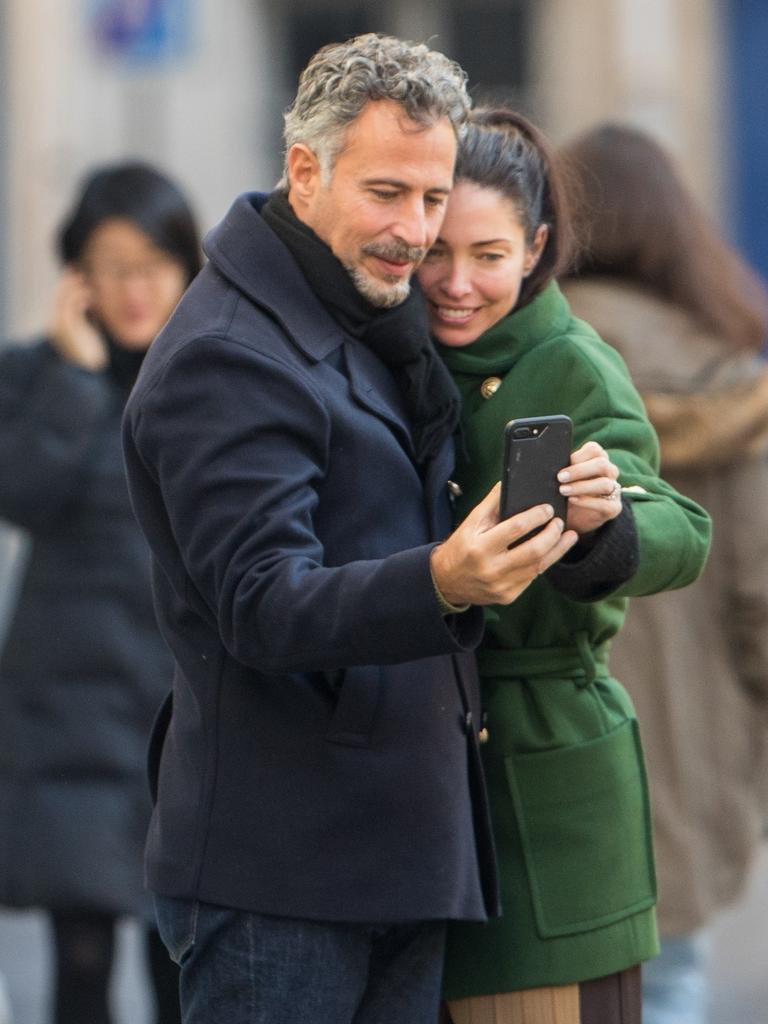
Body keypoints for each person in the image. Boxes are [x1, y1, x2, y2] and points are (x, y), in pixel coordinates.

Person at [120, 34, 655, 1024]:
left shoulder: (361, 306)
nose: (415, 231)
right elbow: (263, 603)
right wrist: (445, 580)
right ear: (304, 172)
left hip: (391, 862)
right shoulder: (232, 354)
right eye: (386, 193)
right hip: (283, 875)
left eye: (432, 195)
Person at [415, 108, 712, 1024]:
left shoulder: (574, 364)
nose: (457, 284)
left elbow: (681, 531)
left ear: (537, 247)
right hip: (413, 789)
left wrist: (602, 523)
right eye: (437, 251)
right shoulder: (389, 349)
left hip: (540, 784)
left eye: (490, 255)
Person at [560, 122, 768, 1024]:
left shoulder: (530, 357)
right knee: (672, 982)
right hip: (688, 760)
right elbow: (762, 600)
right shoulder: (733, 382)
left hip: (543, 747)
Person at [0, 161, 200, 1024]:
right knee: (79, 963)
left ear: (188, 270)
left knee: (179, 960)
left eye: (153, 262)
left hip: (178, 714)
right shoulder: (35, 376)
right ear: (77, 273)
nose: (134, 288)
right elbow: (19, 495)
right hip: (67, 718)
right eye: (111, 263)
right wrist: (77, 384)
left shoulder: (211, 381)